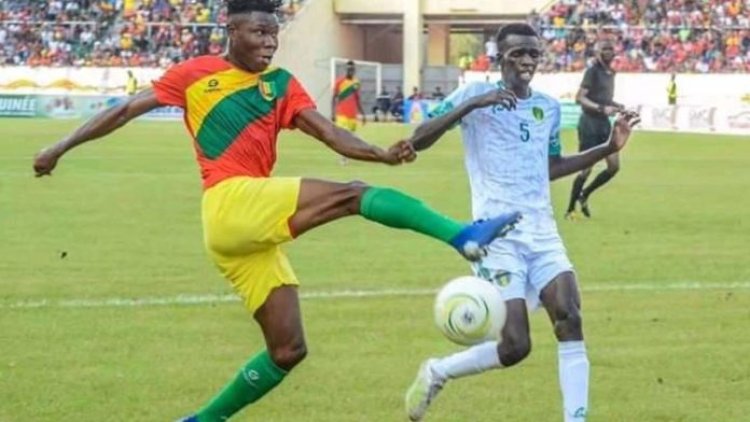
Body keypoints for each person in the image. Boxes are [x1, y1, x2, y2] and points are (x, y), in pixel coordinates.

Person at [32, 1, 522, 421]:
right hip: (230, 201)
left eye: (274, 34)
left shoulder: (282, 85)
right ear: (231, 31)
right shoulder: (193, 76)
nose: (269, 42)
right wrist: (60, 145)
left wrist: (381, 152)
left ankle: (203, 419)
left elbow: (330, 133)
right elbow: (121, 111)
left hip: (241, 232)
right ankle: (463, 235)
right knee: (353, 194)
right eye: (259, 32)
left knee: (288, 350)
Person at [403, 23, 640, 422]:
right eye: (517, 53)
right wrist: (470, 107)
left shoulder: (545, 108)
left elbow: (551, 167)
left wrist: (607, 148)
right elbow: (419, 138)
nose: (527, 60)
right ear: (500, 58)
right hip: (496, 236)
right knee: (515, 346)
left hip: (543, 233)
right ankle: (438, 371)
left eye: (533, 53)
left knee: (570, 317)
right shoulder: (474, 95)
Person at [566, 39, 625, 219]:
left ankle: (585, 194)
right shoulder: (592, 72)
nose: (608, 52)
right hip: (590, 123)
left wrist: (617, 106)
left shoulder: (611, 73)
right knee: (586, 169)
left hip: (604, 124)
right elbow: (580, 98)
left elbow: (605, 99)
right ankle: (570, 209)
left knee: (614, 167)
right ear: (598, 52)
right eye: (604, 48)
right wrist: (600, 108)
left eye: (610, 48)